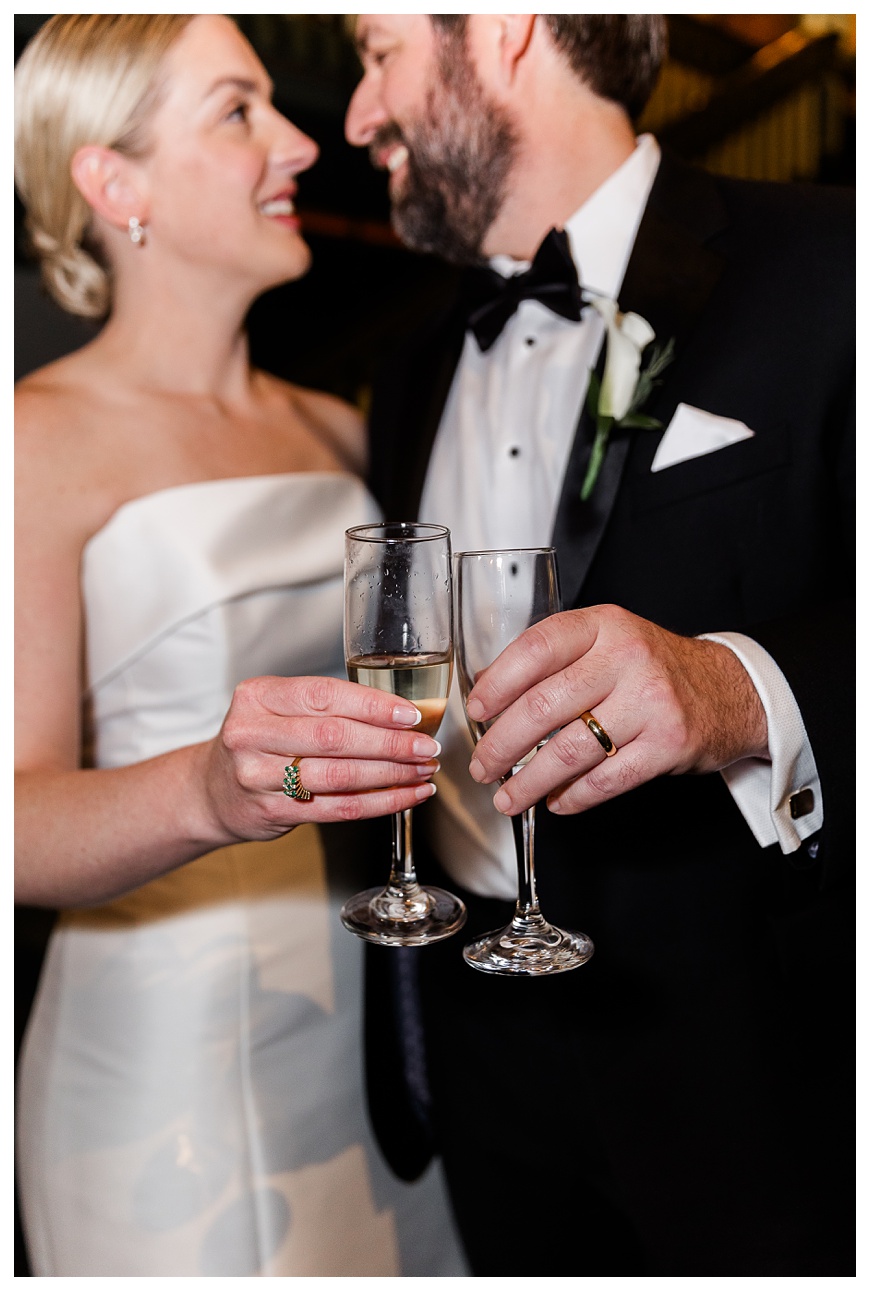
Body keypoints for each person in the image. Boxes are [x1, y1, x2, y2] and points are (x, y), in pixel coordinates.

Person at [343, 13, 854, 1276]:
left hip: (755, 1071)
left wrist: (735, 687)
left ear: (507, 30)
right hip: (475, 1051)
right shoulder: (404, 374)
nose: (358, 117)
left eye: (374, 52)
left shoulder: (834, 264)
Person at [14, 14, 468, 1277]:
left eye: (277, 104)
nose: (299, 142)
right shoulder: (31, 442)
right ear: (115, 182)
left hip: (379, 1048)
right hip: (166, 1075)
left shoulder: (339, 428)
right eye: (237, 112)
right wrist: (210, 788)